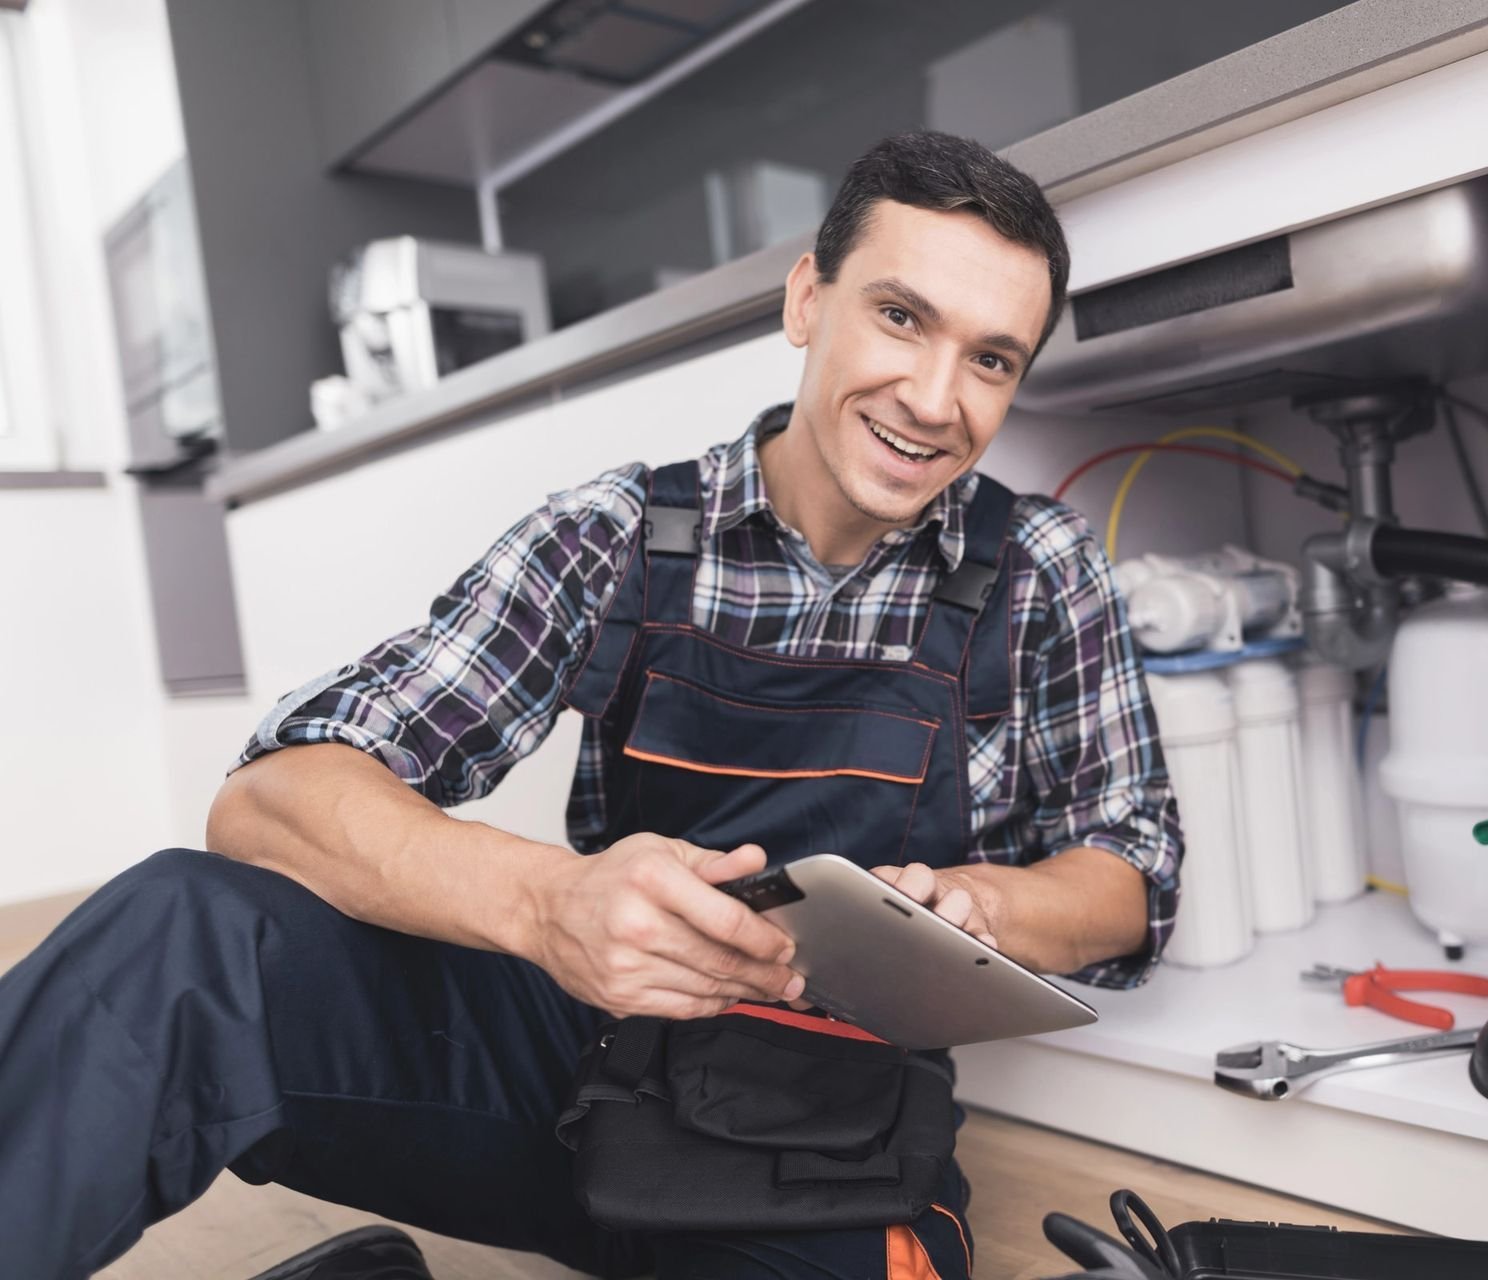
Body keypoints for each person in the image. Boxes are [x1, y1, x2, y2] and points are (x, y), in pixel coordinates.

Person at [0, 130, 1181, 1280]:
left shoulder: (1038, 565)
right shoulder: (618, 535)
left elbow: (1130, 866)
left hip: (836, 1122)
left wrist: (989, 905)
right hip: (581, 1060)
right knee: (185, 932)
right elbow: (269, 801)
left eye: (991, 360)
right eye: (901, 316)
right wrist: (547, 902)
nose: (933, 397)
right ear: (807, 301)